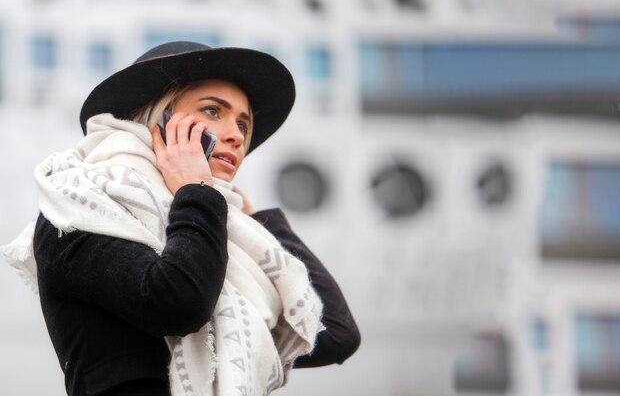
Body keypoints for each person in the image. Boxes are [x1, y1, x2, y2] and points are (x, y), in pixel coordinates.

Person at [1, 41, 360, 396]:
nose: (236, 136)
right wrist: (199, 192)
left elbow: (336, 332)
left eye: (243, 123)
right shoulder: (76, 207)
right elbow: (178, 303)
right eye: (213, 111)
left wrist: (255, 221)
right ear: (155, 119)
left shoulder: (216, 227)